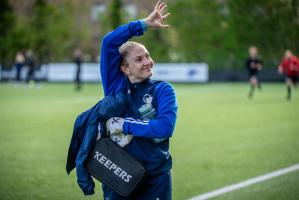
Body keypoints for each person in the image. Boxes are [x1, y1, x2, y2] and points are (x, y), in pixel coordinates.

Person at [100, 1, 177, 199]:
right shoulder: (115, 86)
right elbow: (108, 43)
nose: (147, 62)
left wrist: (124, 125)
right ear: (125, 69)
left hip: (155, 177)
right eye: (138, 59)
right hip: (118, 172)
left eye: (147, 56)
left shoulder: (163, 90)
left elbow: (164, 128)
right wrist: (143, 24)